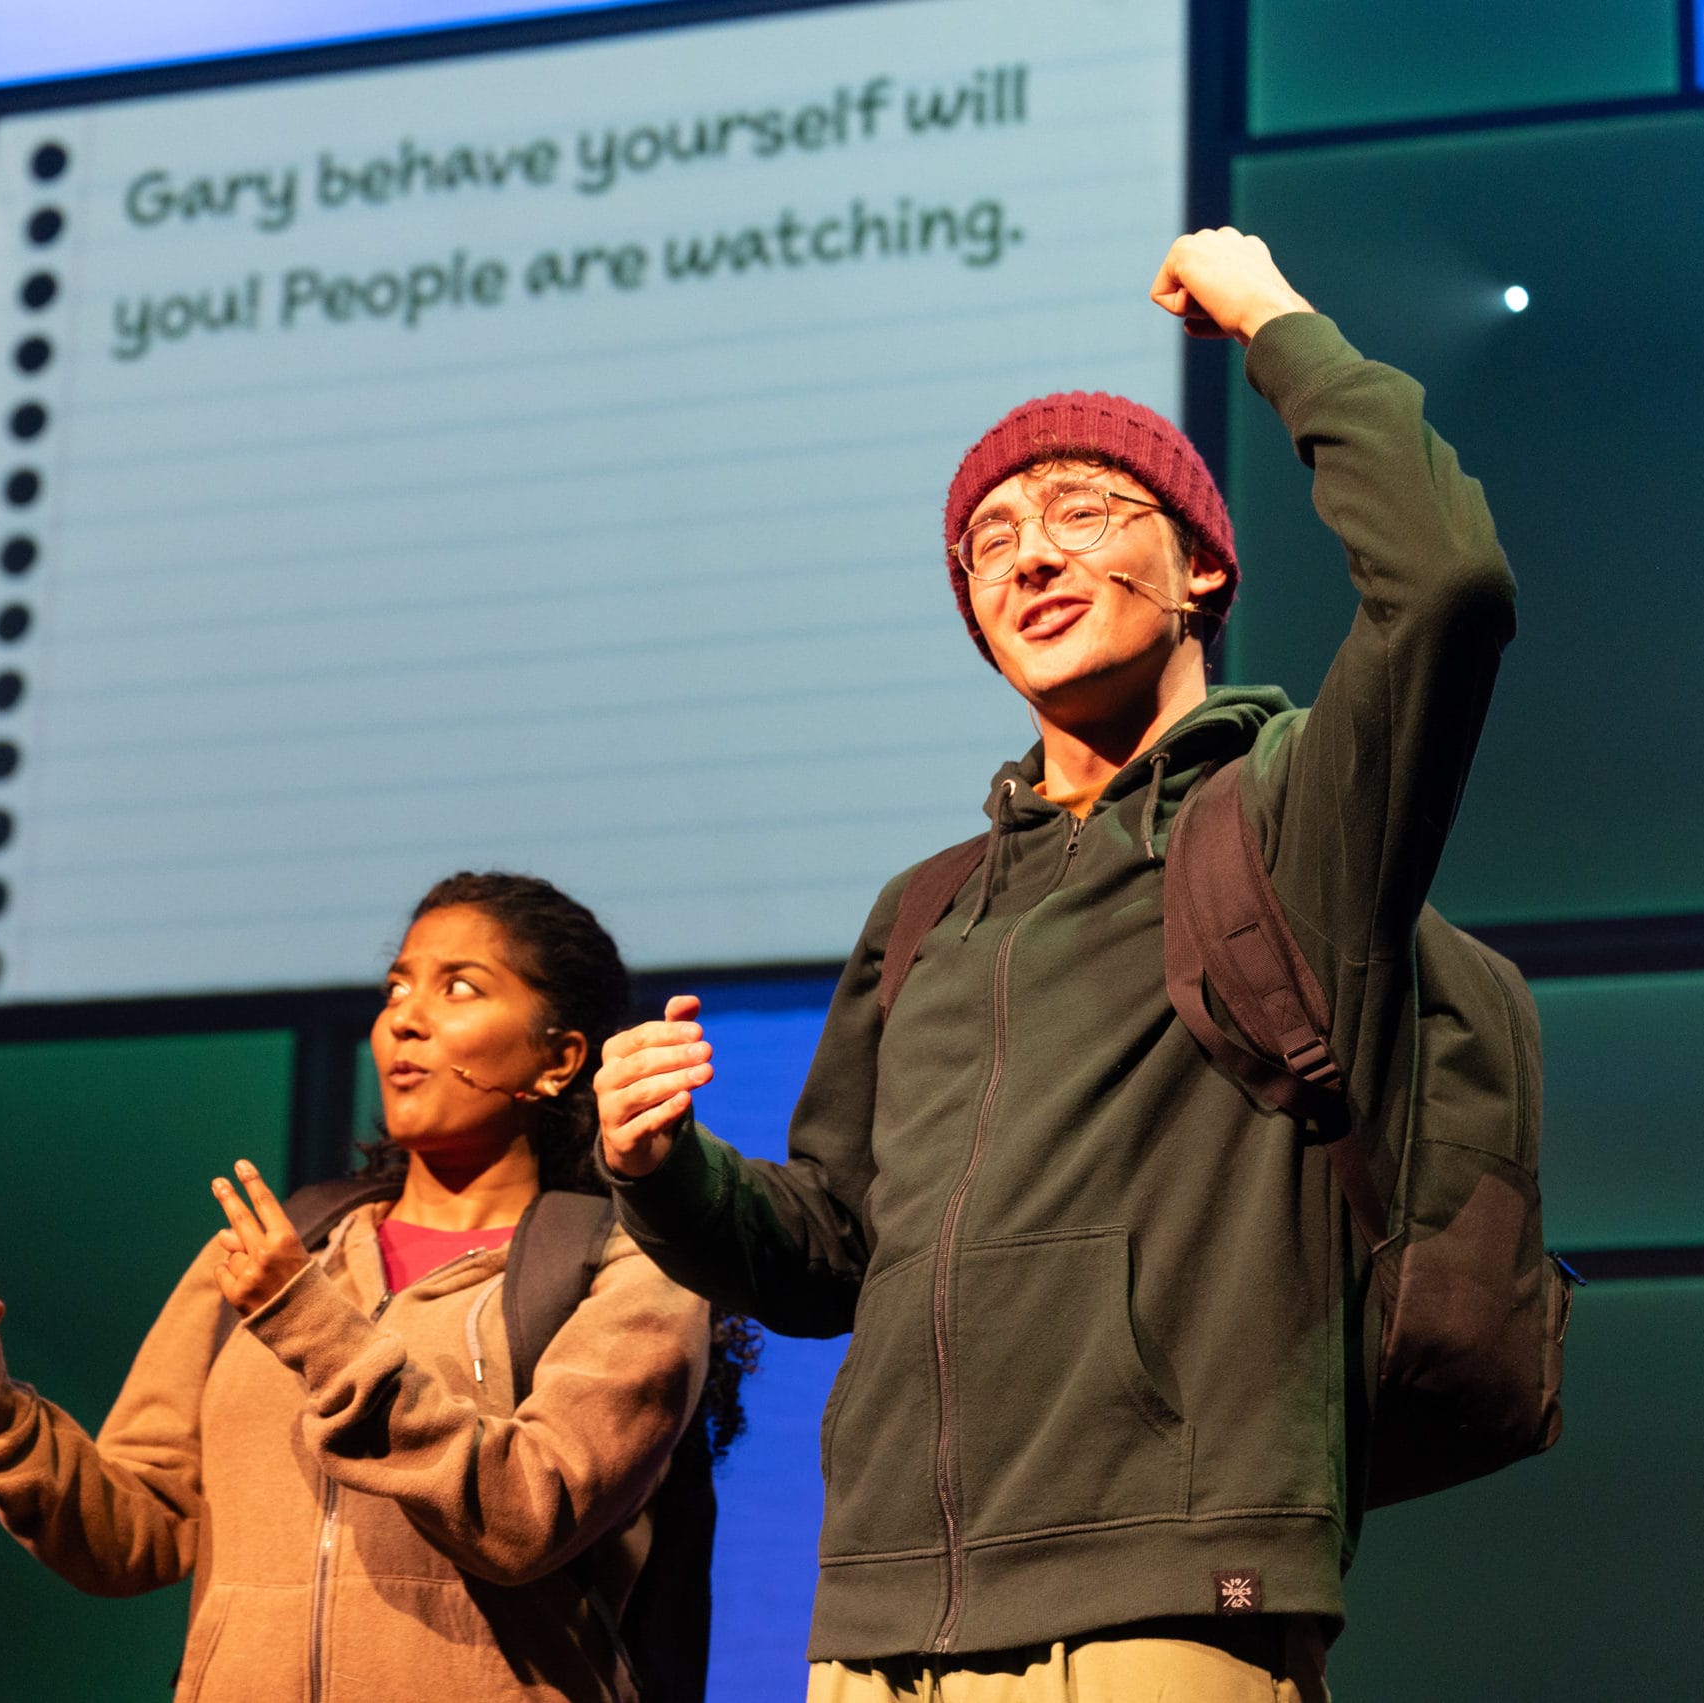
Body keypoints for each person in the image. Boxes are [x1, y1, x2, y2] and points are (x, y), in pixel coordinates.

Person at [594, 228, 1515, 1702]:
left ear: (1201, 563)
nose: (1029, 552)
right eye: (991, 541)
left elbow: (1447, 578)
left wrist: (1271, 318)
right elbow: (832, 1249)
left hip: (1166, 1589)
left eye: (1085, 510)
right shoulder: (927, 905)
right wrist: (663, 1170)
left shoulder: (1289, 817)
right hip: (882, 1622)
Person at [0, 872, 722, 1703]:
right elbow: (134, 1531)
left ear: (560, 1058)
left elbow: (524, 1514)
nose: (404, 1016)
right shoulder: (287, 1249)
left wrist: (306, 1321)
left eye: (459, 987)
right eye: (395, 987)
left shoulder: (627, 1262)